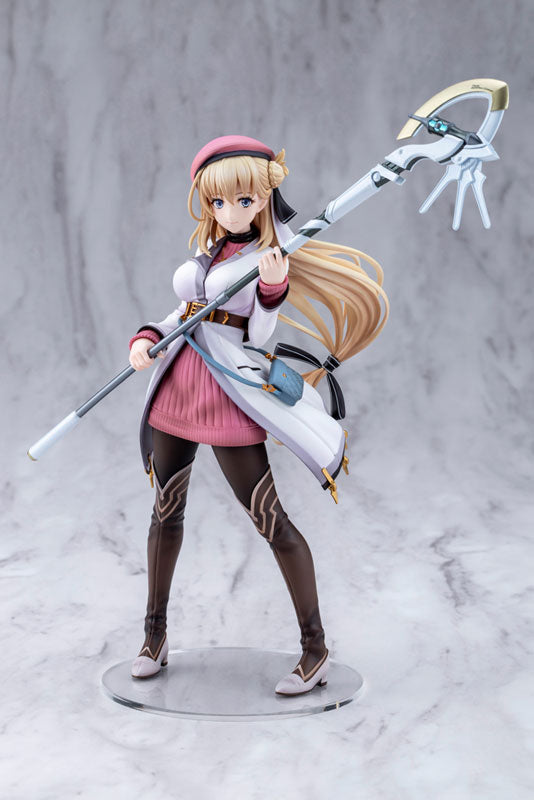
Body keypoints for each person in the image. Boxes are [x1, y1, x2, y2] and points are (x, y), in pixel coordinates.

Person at [128, 135, 388, 695]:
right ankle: (154, 636)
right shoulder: (211, 252)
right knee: (165, 512)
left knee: (271, 520)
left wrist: (271, 288)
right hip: (177, 386)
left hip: (226, 389)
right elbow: (182, 312)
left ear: (265, 198)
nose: (230, 212)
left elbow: (258, 336)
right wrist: (148, 338)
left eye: (243, 201)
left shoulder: (268, 258)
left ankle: (315, 649)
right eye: (218, 201)